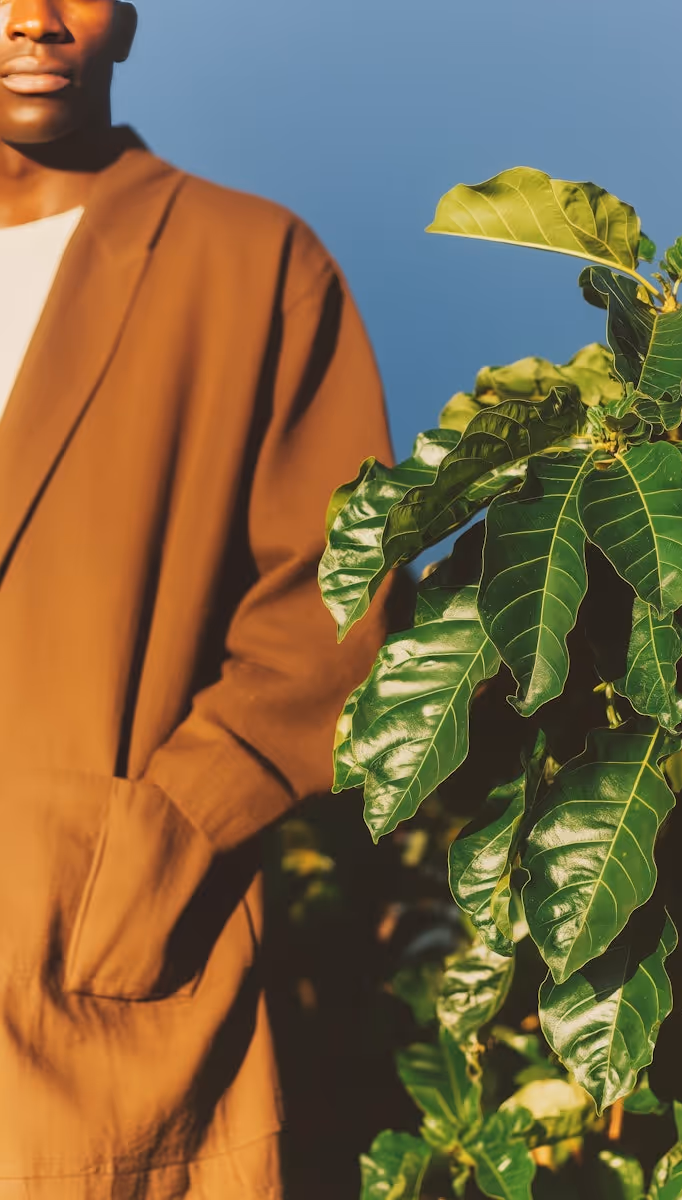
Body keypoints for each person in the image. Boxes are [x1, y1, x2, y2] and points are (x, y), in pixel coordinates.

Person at [0, 0, 392, 1195]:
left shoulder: (252, 262)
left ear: (129, 19)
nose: (34, 16)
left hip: (91, 966)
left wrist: (169, 836)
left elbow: (338, 602)